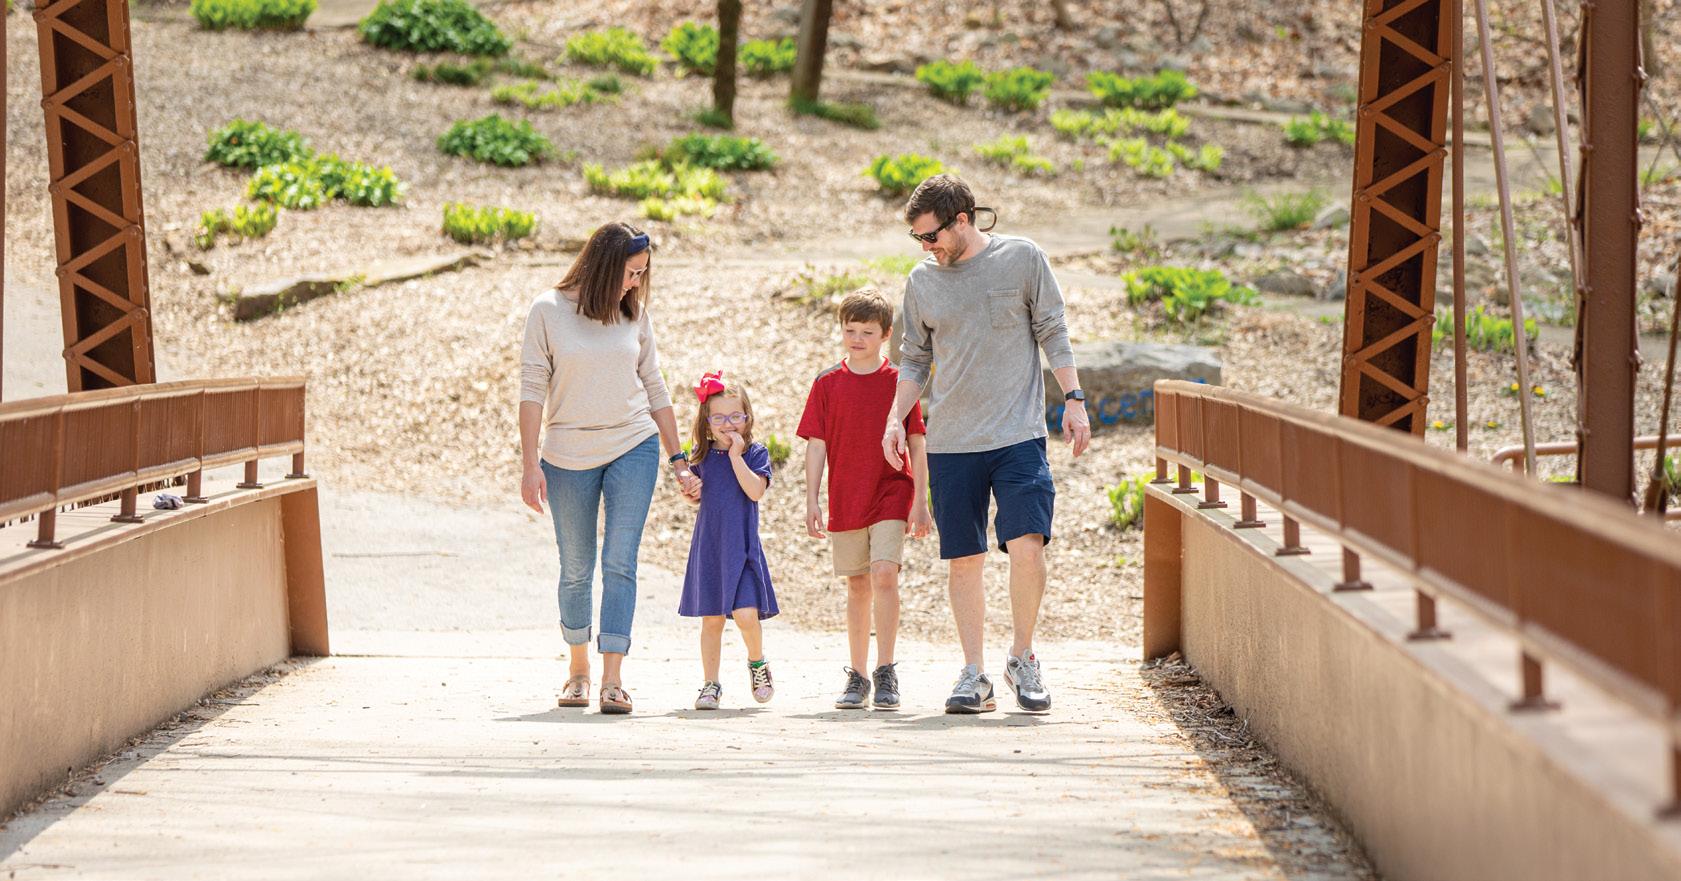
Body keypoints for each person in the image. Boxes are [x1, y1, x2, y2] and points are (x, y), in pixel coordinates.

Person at [882, 175, 1092, 715]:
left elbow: (1053, 329)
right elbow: (914, 358)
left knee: (1028, 545)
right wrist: (894, 419)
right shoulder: (922, 280)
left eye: (931, 236)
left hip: (1018, 435)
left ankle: (1022, 657)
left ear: (962, 220)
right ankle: (974, 674)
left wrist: (1074, 398)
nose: (925, 247)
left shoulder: (1022, 258)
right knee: (964, 560)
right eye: (917, 238)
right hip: (953, 443)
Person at [519, 222, 699, 716]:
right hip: (567, 454)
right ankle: (578, 670)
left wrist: (679, 461)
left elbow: (655, 386)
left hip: (632, 445)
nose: (636, 283)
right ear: (603, 266)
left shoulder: (634, 314)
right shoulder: (547, 311)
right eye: (631, 273)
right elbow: (532, 389)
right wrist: (530, 463)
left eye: (643, 274)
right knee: (576, 567)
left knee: (620, 561)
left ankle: (613, 680)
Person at [797, 288, 931, 711]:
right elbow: (816, 445)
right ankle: (857, 675)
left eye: (867, 332)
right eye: (850, 330)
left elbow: (917, 443)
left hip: (891, 490)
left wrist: (920, 501)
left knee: (884, 573)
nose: (857, 339)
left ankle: (885, 669)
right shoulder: (827, 383)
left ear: (886, 335)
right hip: (846, 494)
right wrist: (811, 499)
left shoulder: (899, 384)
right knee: (858, 584)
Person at [679, 372, 779, 710]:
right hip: (710, 548)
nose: (728, 424)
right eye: (719, 418)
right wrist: (690, 492)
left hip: (743, 548)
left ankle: (757, 663)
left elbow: (755, 491)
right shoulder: (701, 455)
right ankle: (711, 684)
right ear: (707, 422)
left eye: (735, 416)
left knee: (746, 615)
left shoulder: (755, 453)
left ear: (747, 418)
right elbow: (694, 493)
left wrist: (736, 456)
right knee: (712, 620)